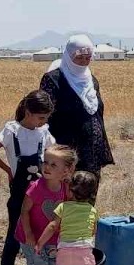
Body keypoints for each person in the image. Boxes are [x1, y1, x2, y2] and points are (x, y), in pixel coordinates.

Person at [0, 90, 56, 265]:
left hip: (41, 192)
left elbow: (54, 152)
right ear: (28, 112)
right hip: (19, 192)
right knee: (15, 232)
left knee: (43, 231)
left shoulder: (44, 132)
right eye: (40, 117)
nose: (43, 122)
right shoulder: (12, 130)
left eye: (46, 118)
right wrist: (8, 170)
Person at [40, 35, 115, 176]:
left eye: (87, 58)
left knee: (88, 187)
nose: (84, 62)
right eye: (79, 58)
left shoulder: (91, 80)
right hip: (66, 153)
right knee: (66, 188)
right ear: (68, 56)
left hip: (92, 152)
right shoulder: (53, 79)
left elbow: (96, 114)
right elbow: (44, 114)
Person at [16, 145, 76, 265]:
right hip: (31, 235)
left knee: (51, 262)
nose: (47, 167)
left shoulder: (65, 187)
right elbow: (24, 211)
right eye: (45, 162)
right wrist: (28, 233)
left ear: (65, 170)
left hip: (52, 235)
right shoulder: (36, 187)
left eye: (53, 165)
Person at [36, 170, 103, 265]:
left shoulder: (62, 207)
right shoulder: (92, 211)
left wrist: (40, 243)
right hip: (84, 251)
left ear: (70, 191)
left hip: (65, 251)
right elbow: (93, 231)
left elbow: (52, 226)